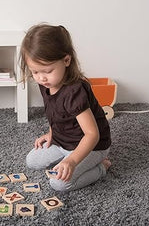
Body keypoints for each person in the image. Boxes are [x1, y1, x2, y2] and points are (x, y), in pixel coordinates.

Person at [20, 24, 112, 192]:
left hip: (92, 146)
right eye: (35, 72)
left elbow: (92, 135)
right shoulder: (46, 83)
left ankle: (102, 167)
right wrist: (51, 133)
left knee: (60, 184)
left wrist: (72, 161)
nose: (41, 78)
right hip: (63, 141)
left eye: (47, 71)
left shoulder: (75, 92)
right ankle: (67, 156)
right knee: (31, 161)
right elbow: (55, 113)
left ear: (66, 60)